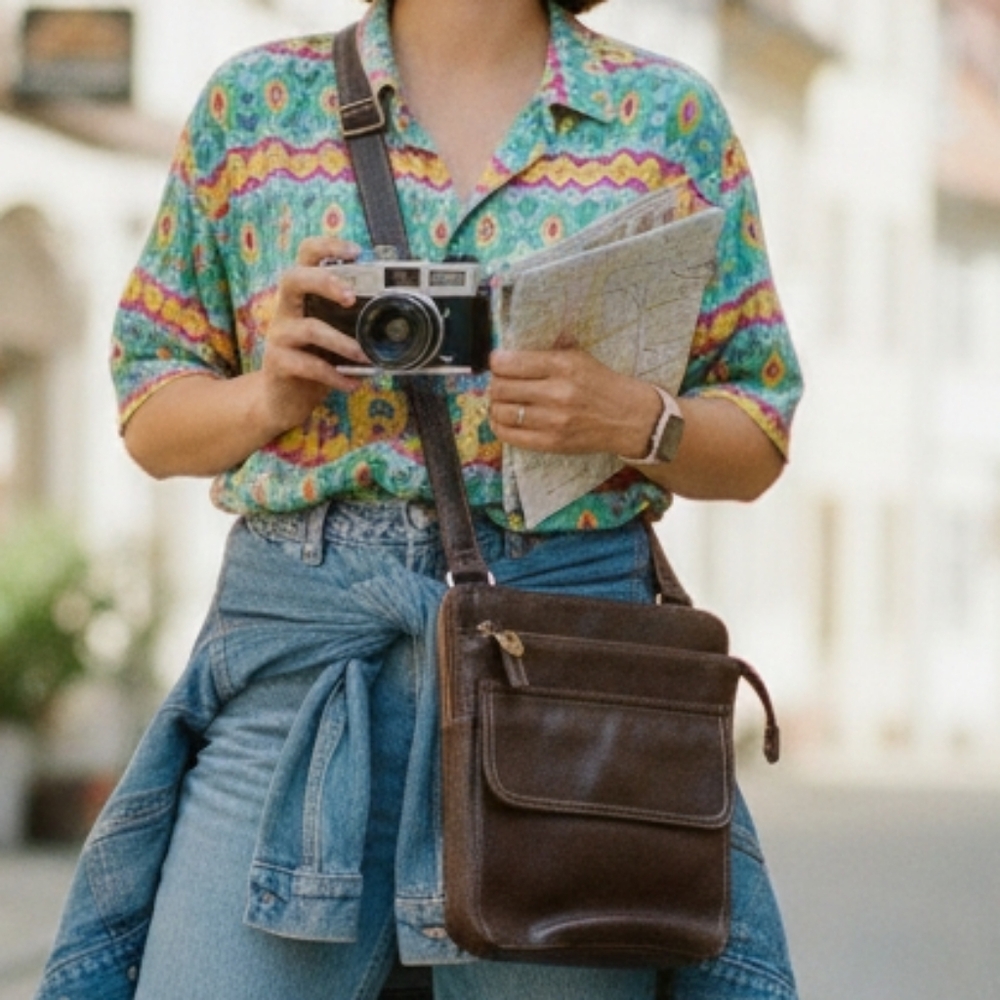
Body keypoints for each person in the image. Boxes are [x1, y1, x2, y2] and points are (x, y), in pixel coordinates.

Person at [36, 1, 803, 998]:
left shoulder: (664, 118)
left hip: (560, 678)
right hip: (300, 662)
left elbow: (757, 436)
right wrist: (265, 393)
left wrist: (629, 418)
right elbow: (148, 412)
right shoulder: (253, 107)